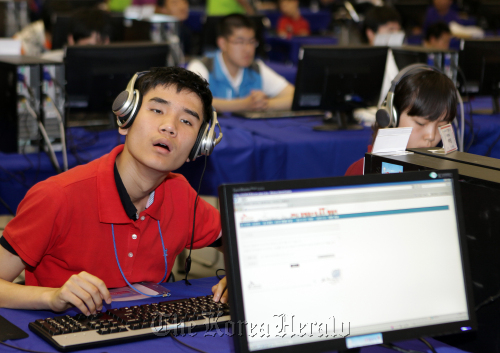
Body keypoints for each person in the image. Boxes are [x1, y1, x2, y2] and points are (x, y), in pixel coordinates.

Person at [0, 67, 227, 315]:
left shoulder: (180, 195)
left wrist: (239, 276)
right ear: (125, 119)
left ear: (199, 145)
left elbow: (241, 243)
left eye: (186, 121)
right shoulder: (57, 196)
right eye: (157, 110)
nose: (169, 127)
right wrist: (50, 296)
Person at [345, 68, 458, 176]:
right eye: (420, 123)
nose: (431, 136)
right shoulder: (362, 171)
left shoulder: (444, 172)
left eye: (441, 125)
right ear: (392, 118)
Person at [187, 14, 295, 113]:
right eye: (240, 42)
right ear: (222, 43)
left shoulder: (256, 68)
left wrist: (263, 104)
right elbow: (190, 102)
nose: (248, 49)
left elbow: (295, 96)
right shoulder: (202, 67)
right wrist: (242, 105)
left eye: (251, 42)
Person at [40, 7, 112, 62]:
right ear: (71, 40)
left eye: (101, 47)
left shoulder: (116, 66)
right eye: (90, 47)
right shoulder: (49, 64)